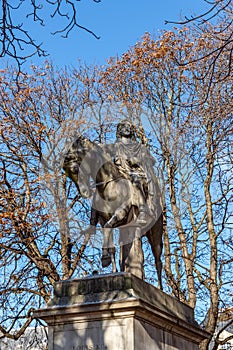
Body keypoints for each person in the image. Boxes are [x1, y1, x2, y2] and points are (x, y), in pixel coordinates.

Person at [110, 119, 157, 224]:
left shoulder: (140, 147)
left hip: (138, 174)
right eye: (123, 127)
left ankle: (143, 210)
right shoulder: (115, 147)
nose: (126, 129)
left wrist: (137, 160)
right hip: (120, 175)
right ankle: (94, 222)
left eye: (129, 127)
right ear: (119, 131)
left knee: (136, 182)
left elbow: (151, 160)